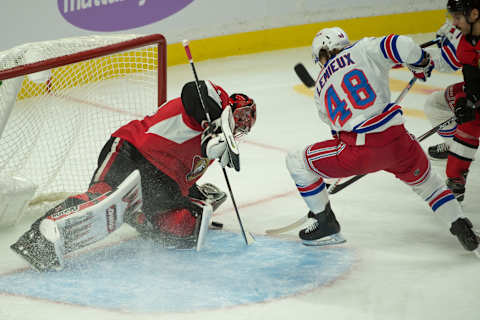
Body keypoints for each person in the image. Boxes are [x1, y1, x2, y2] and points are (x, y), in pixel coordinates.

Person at [10, 80, 257, 271]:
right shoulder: (215, 100)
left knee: (184, 228)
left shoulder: (216, 147)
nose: (242, 124)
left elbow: (183, 176)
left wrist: (192, 200)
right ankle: (39, 238)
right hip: (132, 152)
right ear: (231, 106)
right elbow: (194, 91)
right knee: (105, 196)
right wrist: (213, 122)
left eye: (247, 124)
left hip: (160, 183)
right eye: (241, 115)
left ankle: (136, 214)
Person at [285, 26, 479, 253]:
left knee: (296, 161)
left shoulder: (319, 88)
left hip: (358, 150)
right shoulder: (364, 48)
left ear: (321, 54)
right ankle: (459, 222)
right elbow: (403, 44)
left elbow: (337, 135)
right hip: (399, 141)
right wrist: (420, 63)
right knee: (430, 185)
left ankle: (325, 221)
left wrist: (328, 178)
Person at [424, 0, 480, 203]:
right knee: (442, 104)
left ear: (474, 14)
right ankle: (454, 152)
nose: (454, 23)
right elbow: (471, 79)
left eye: (458, 17)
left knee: (472, 121)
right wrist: (465, 100)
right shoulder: (467, 42)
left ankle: (457, 176)